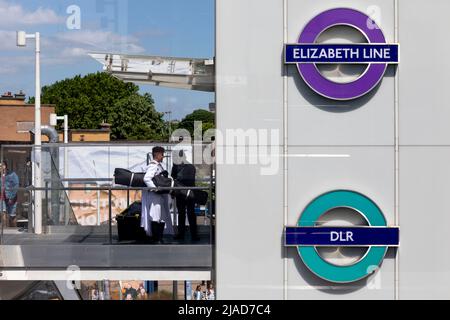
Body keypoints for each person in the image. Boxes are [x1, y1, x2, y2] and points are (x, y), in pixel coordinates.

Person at [141, 146, 174, 243]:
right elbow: (146, 178)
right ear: (157, 154)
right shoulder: (153, 166)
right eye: (162, 154)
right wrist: (155, 189)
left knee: (160, 216)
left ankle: (159, 237)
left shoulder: (158, 166)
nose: (163, 157)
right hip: (155, 196)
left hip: (159, 195)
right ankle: (156, 238)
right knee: (155, 216)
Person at [171, 150, 199, 241]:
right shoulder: (191, 166)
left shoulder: (176, 167)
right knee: (191, 214)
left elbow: (173, 178)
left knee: (181, 214)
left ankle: (181, 234)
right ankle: (194, 235)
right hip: (190, 193)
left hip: (180, 193)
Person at [0, 161, 19, 228]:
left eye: (1, 165)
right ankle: (4, 230)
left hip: (11, 197)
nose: (0, 167)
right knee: (3, 212)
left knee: (12, 216)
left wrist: (11, 197)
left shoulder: (12, 174)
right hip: (2, 197)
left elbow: (16, 186)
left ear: (5, 166)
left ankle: (14, 229)